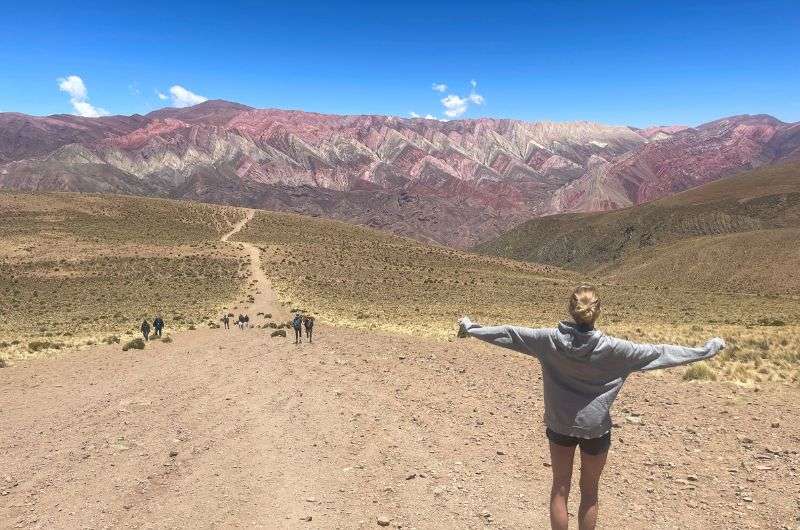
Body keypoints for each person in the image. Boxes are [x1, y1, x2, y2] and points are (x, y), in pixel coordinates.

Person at [458, 285, 725, 530]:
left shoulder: (547, 340)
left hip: (559, 426)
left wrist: (471, 327)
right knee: (589, 492)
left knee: (560, 488)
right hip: (596, 429)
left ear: (571, 310)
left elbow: (509, 333)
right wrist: (707, 350)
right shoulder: (617, 349)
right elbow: (661, 352)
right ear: (598, 311)